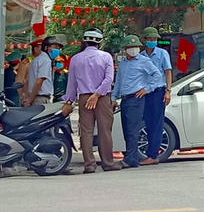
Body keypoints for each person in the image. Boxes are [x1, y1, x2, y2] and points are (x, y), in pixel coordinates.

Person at [62, 28, 122, 173]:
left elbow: (72, 83)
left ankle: (89, 165)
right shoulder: (106, 56)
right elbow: (108, 80)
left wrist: (68, 101)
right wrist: (96, 95)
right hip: (101, 98)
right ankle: (108, 163)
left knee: (86, 132)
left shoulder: (76, 58)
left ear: (84, 41)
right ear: (100, 42)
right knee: (104, 131)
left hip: (84, 98)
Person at [111, 35, 162, 169]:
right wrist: (113, 98)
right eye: (131, 47)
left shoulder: (144, 61)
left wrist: (147, 89)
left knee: (133, 130)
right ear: (126, 48)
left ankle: (129, 159)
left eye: (136, 47)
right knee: (126, 129)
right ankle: (132, 158)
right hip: (125, 99)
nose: (133, 49)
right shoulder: (123, 63)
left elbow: (157, 75)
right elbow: (119, 81)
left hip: (136, 98)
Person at [139, 27, 172, 166]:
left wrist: (168, 90)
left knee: (157, 124)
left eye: (155, 39)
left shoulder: (162, 53)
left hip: (158, 91)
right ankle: (149, 152)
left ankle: (153, 155)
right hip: (145, 92)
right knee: (147, 123)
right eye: (150, 39)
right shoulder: (140, 56)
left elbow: (168, 72)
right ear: (144, 40)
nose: (153, 41)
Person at [25, 35, 65, 106]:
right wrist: (29, 100)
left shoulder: (36, 60)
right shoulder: (46, 61)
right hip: (40, 99)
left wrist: (28, 98)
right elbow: (39, 82)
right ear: (46, 48)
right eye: (55, 47)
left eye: (58, 48)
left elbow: (27, 81)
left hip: (34, 97)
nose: (57, 50)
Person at [19, 37, 43, 105]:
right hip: (29, 97)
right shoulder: (26, 63)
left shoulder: (43, 62)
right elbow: (20, 81)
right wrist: (23, 97)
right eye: (42, 47)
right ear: (36, 49)